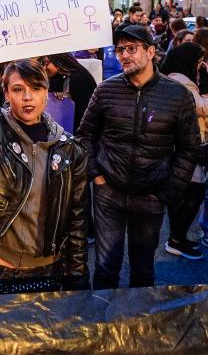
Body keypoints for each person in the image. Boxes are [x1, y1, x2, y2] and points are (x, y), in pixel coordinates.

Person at [0, 18, 90, 295]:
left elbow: (77, 221)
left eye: (36, 88)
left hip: (48, 268)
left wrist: (78, 278)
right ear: (6, 93)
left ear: (46, 94)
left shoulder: (70, 150)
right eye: (18, 89)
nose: (27, 97)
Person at [77, 25, 201, 289]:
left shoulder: (177, 94)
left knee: (143, 271)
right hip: (109, 193)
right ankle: (103, 315)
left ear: (151, 52)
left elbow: (189, 148)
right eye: (120, 49)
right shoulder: (105, 90)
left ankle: (139, 315)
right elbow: (85, 135)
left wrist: (168, 191)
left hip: (151, 196)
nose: (124, 55)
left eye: (131, 48)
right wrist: (96, 176)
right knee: (105, 269)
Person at [159, 42, 208, 260]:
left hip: (177, 145)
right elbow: (202, 108)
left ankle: (177, 238)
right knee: (194, 192)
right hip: (188, 146)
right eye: (199, 62)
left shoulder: (171, 77)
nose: (201, 66)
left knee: (182, 193)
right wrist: (205, 89)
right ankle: (177, 239)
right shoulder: (183, 82)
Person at [40, 53, 97, 133]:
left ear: (58, 61)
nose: (44, 67)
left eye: (46, 63)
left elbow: (84, 112)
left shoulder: (79, 79)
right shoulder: (61, 77)